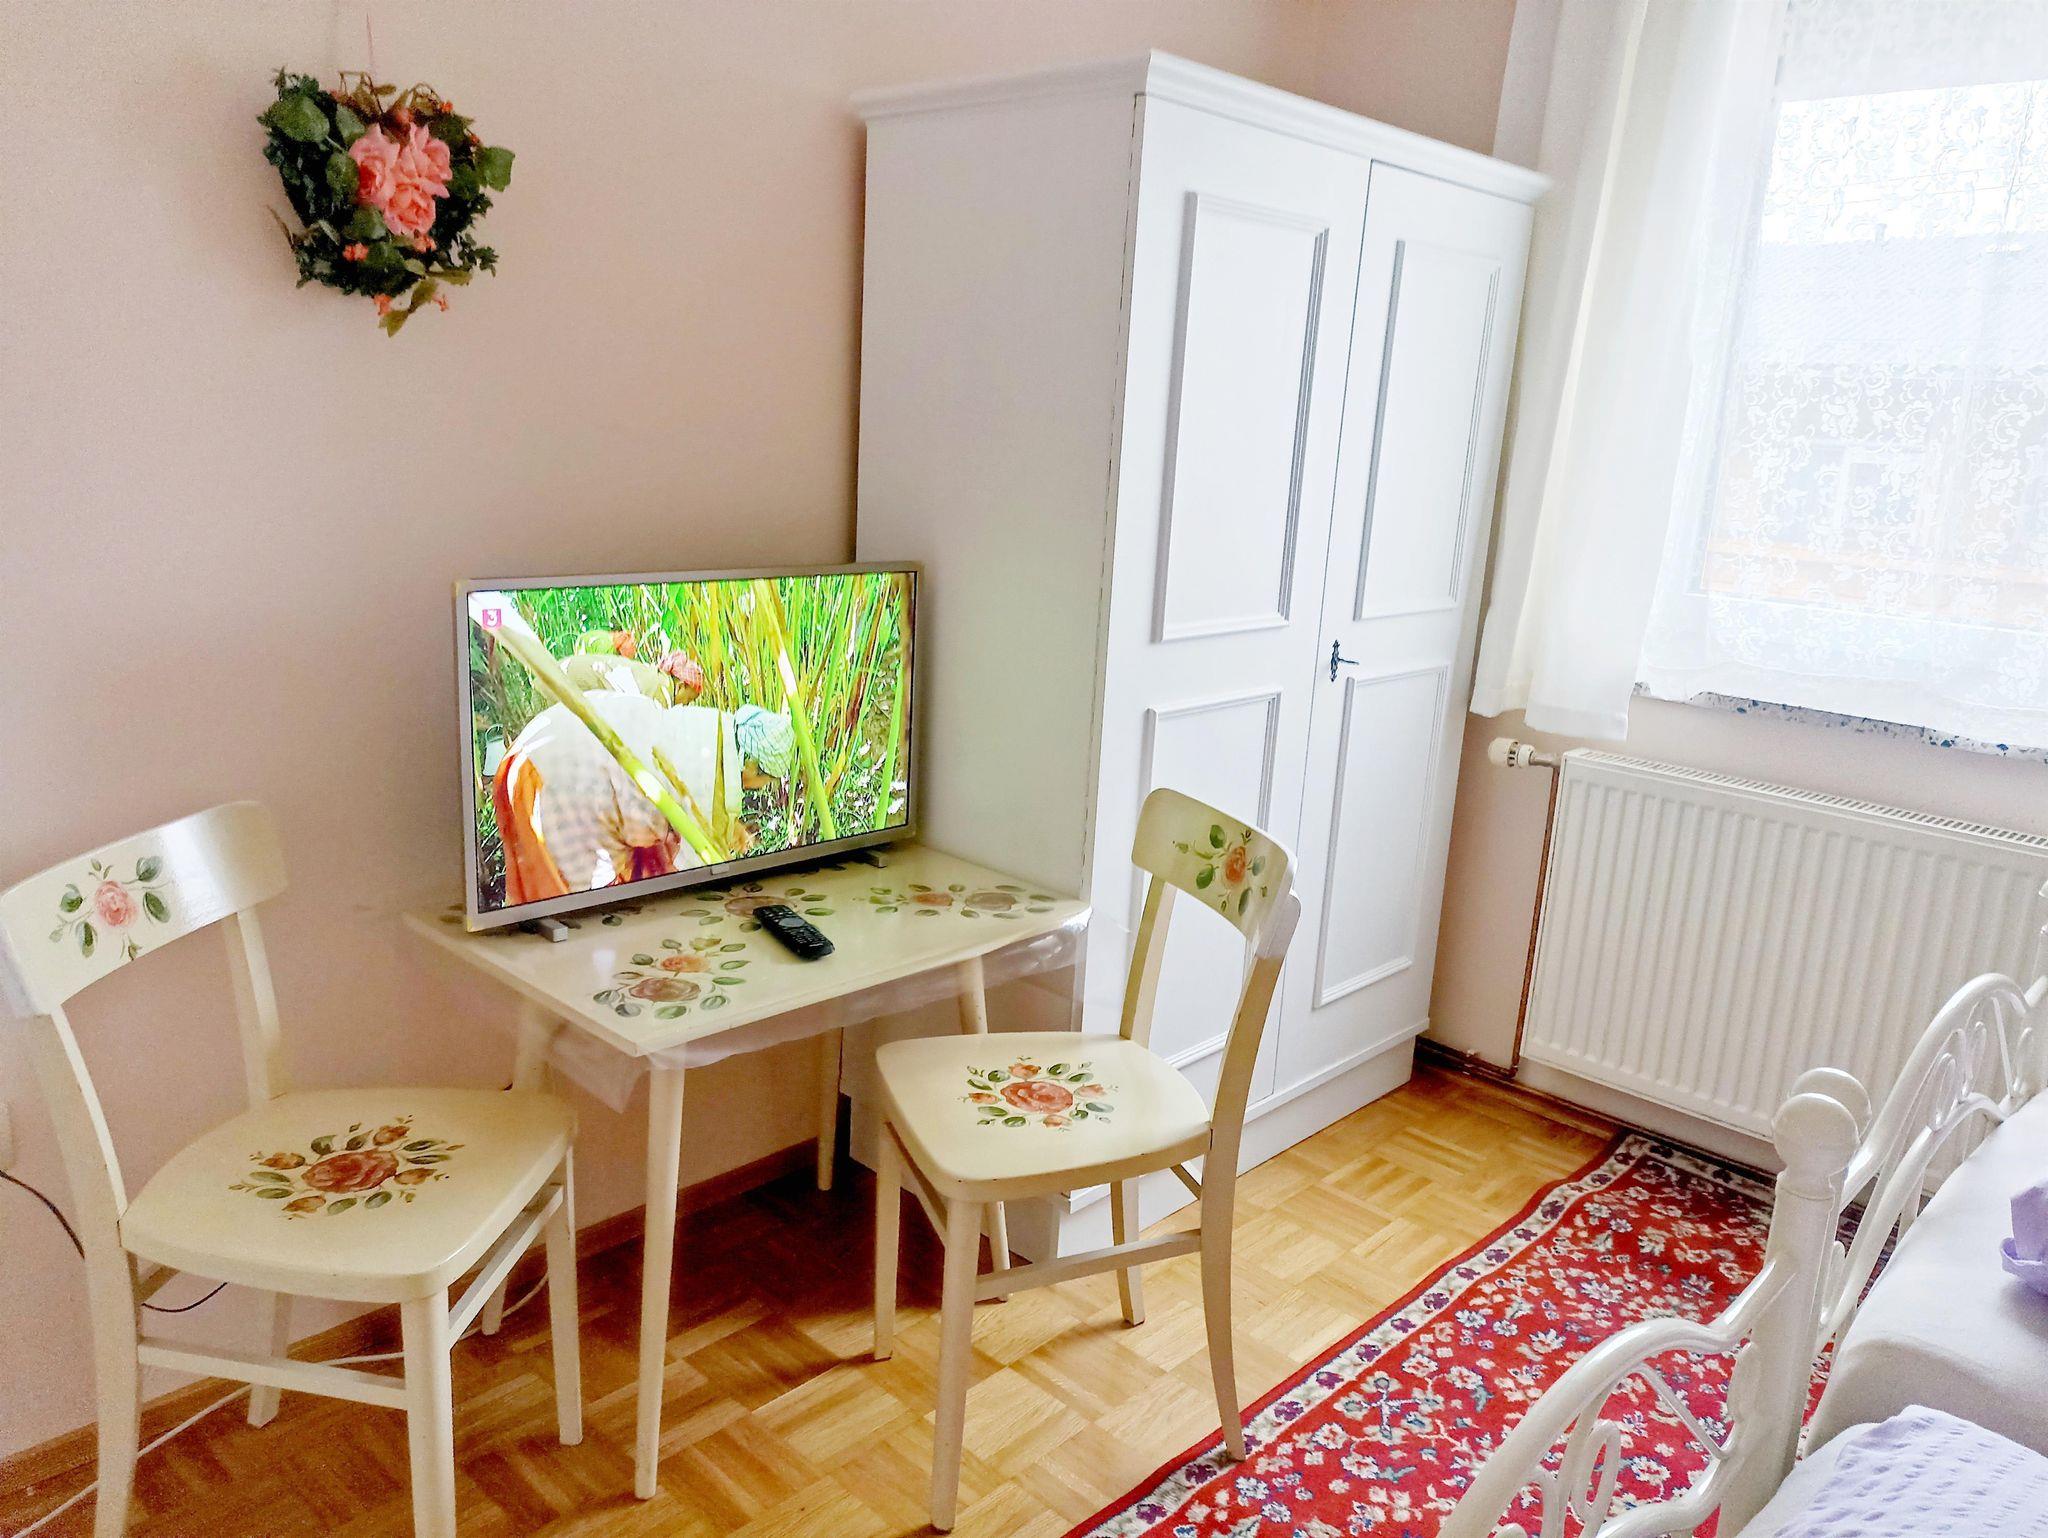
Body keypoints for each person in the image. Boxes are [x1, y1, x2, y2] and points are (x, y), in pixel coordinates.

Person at [491, 691, 793, 905]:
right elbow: (693, 880)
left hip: (541, 744)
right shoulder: (708, 781)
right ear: (751, 765)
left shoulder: (704, 726)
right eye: (766, 780)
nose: (761, 788)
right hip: (557, 782)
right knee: (565, 907)